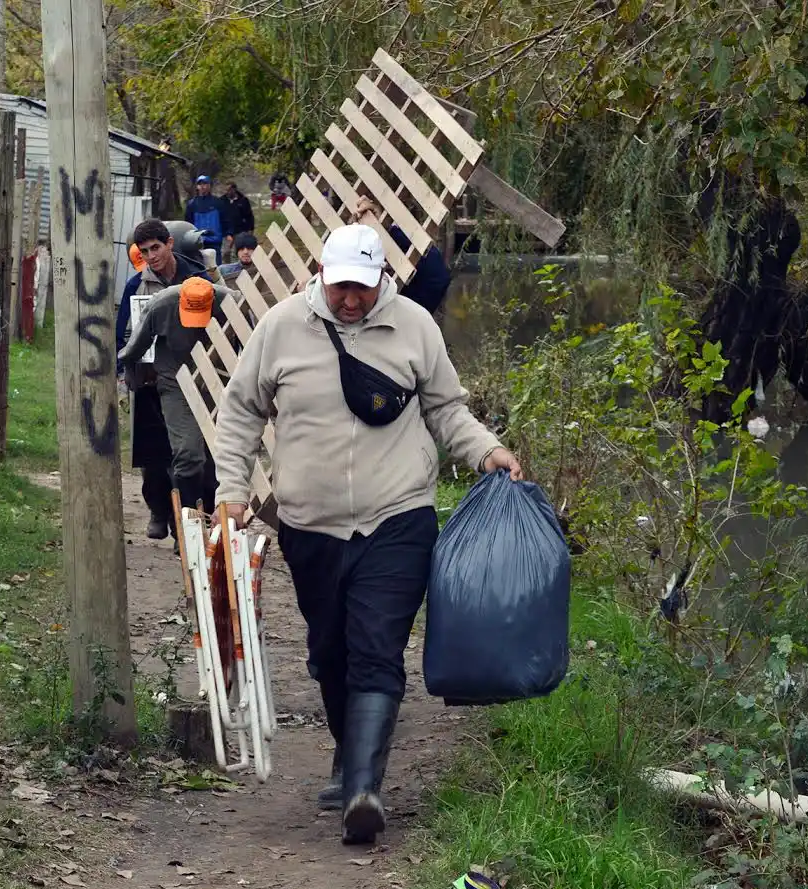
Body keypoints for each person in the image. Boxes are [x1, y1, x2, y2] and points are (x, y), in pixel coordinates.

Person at [213, 223, 522, 846]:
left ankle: (364, 789)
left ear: (383, 277)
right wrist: (231, 492)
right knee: (331, 654)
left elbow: (445, 409)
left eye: (361, 288)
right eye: (339, 288)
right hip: (309, 523)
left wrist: (487, 449)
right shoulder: (280, 328)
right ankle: (347, 754)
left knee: (378, 647)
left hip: (398, 515)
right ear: (319, 276)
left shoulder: (413, 326)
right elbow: (241, 410)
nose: (350, 300)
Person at [116, 219, 209, 541]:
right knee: (154, 454)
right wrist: (126, 374)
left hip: (197, 376)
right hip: (151, 379)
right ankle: (159, 510)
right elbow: (123, 336)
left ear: (169, 243)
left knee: (195, 454)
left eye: (156, 248)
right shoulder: (136, 286)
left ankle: (193, 521)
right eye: (144, 251)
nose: (151, 256)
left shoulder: (198, 278)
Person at [117, 276, 230, 514]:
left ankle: (213, 516)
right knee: (188, 452)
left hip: (216, 377)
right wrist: (129, 375)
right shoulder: (161, 305)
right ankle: (188, 523)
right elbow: (135, 347)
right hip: (174, 378)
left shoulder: (230, 302)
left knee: (216, 455)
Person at [355, 197, 452, 316]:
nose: (350, 302)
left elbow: (436, 274)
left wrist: (386, 233)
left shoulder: (397, 314)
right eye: (342, 286)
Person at [185, 175, 229, 265]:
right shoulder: (191, 204)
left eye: (205, 183)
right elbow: (188, 224)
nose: (202, 186)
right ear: (197, 186)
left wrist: (228, 233)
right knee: (200, 267)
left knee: (216, 268)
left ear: (209, 185)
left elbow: (225, 220)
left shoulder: (218, 202)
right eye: (200, 184)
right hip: (198, 242)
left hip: (215, 241)